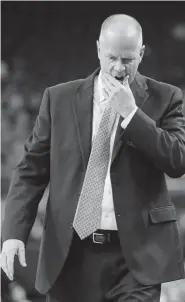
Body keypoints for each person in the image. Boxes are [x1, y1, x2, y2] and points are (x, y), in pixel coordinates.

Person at [1, 13, 185, 302]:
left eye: (128, 60)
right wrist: (13, 233)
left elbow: (177, 161)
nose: (118, 68)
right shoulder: (58, 99)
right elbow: (30, 172)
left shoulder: (167, 97)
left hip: (136, 259)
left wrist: (132, 115)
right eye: (112, 57)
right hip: (70, 254)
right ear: (98, 48)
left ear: (141, 53)